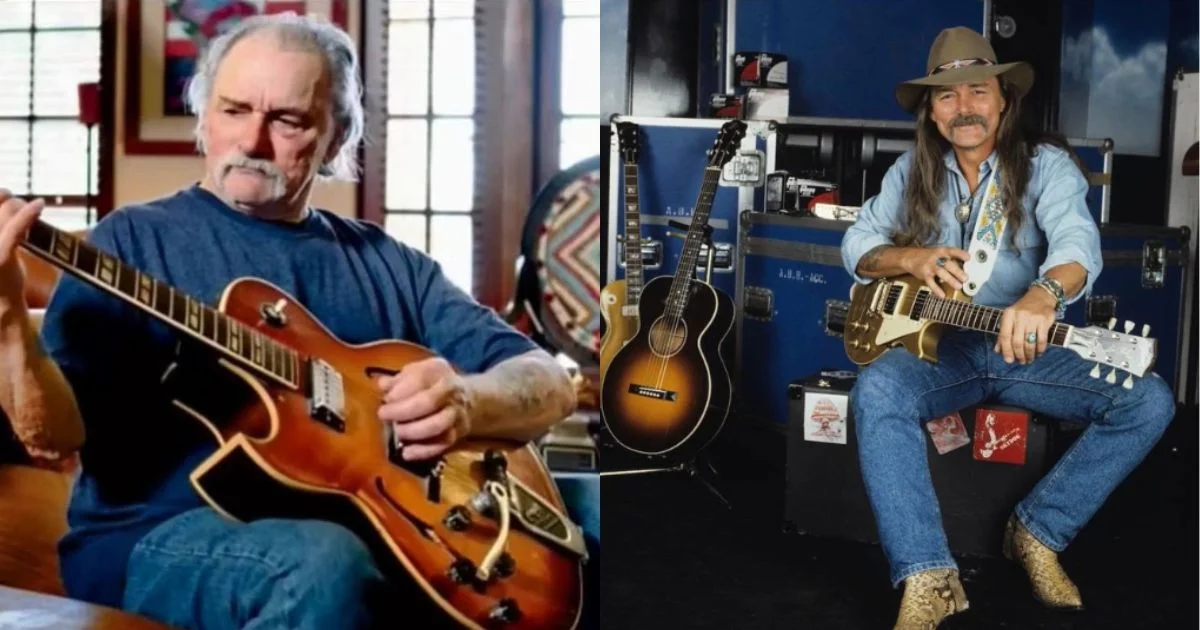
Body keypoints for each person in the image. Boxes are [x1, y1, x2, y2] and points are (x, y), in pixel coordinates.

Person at [0, 13, 591, 630]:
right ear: (204, 118)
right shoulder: (132, 244)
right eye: (233, 111)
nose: (252, 141)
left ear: (336, 140)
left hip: (386, 526)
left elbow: (546, 379)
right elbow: (53, 438)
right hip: (155, 535)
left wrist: (467, 400)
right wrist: (7, 316)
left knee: (614, 509)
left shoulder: (390, 266)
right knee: (323, 562)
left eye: (287, 120)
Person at [840, 26, 1176, 629]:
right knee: (878, 391)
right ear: (931, 112)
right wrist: (909, 259)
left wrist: (1044, 294)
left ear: (1002, 99)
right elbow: (858, 244)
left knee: (1149, 402)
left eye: (976, 90)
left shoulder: (1047, 167)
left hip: (1030, 347)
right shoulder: (909, 173)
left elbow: (1078, 245)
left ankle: (1039, 530)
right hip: (942, 347)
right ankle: (928, 575)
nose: (964, 107)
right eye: (947, 96)